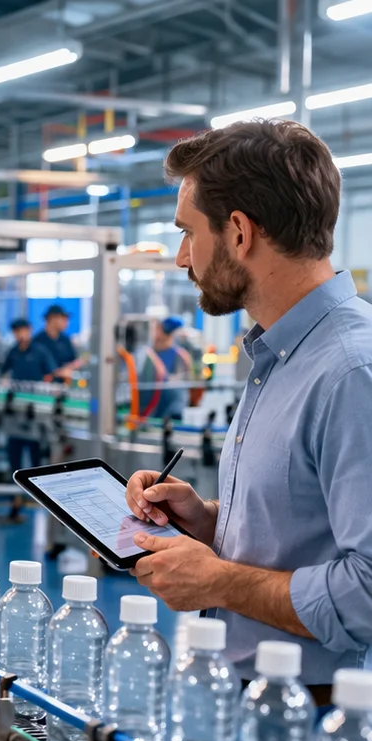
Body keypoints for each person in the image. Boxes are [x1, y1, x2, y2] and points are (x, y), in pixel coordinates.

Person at [125, 119, 372, 693]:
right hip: (249, 699)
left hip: (317, 716)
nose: (183, 258)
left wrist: (219, 583)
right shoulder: (280, 354)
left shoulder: (350, 372)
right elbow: (308, 532)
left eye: (188, 232)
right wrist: (211, 525)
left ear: (239, 232)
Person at [1, 316, 58, 521]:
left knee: (35, 459)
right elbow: (3, 374)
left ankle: (36, 501)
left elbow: (52, 375)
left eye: (23, 330)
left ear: (30, 330)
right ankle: (15, 503)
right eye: (17, 331)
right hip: (16, 414)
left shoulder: (40, 351)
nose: (20, 334)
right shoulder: (13, 352)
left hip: (36, 415)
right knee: (14, 459)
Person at [138, 316, 191, 420]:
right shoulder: (144, 355)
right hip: (143, 406)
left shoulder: (180, 356)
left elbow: (182, 385)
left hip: (165, 410)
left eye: (156, 328)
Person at [36, 304, 85, 379]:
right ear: (52, 318)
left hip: (65, 384)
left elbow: (73, 360)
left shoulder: (65, 340)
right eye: (63, 319)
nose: (66, 322)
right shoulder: (38, 341)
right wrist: (58, 373)